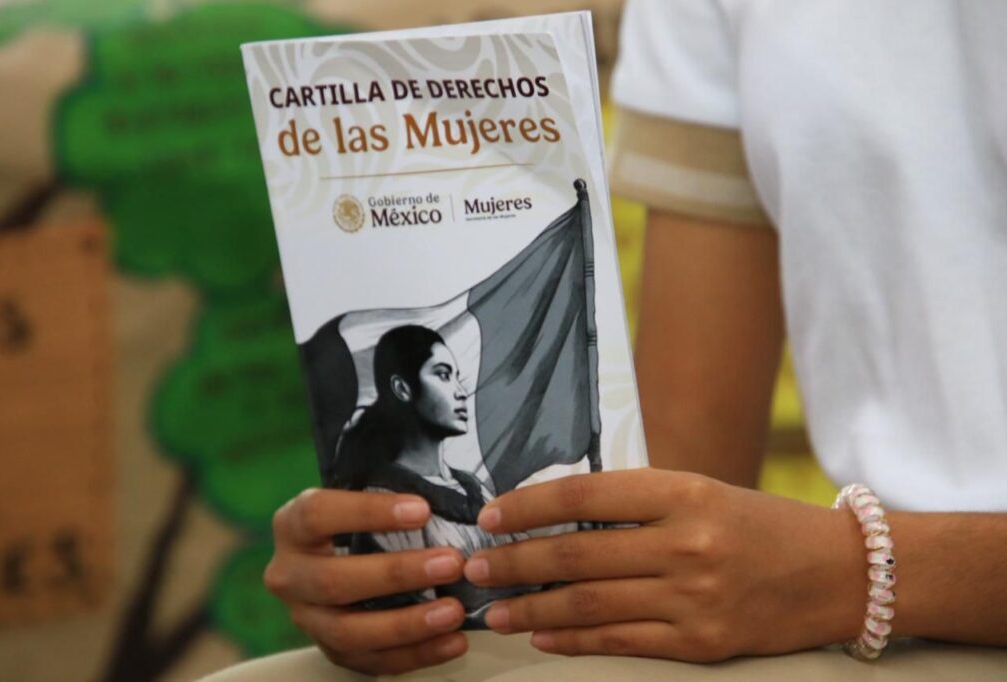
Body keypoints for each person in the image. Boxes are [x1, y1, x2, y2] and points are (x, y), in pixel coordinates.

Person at [261, 1, 1007, 676]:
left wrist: (853, 573)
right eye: (443, 371)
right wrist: (368, 585)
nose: (466, 387)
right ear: (398, 387)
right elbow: (690, 462)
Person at [331, 324, 531, 627]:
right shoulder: (384, 500)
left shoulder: (473, 488)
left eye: (457, 377)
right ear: (403, 388)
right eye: (443, 375)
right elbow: (411, 615)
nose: (461, 392)